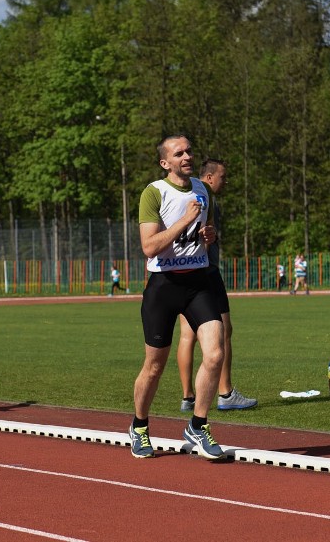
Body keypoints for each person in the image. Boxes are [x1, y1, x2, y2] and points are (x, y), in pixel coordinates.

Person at [129, 135, 225, 460]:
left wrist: (209, 235)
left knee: (214, 354)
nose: (187, 156)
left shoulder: (204, 189)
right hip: (164, 285)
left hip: (199, 282)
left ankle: (198, 425)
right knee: (154, 366)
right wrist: (184, 219)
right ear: (165, 163)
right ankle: (139, 425)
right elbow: (149, 247)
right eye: (178, 153)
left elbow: (205, 234)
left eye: (188, 151)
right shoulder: (154, 193)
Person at [175, 159, 256, 412]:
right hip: (205, 271)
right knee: (224, 331)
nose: (226, 181)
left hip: (180, 271)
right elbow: (204, 234)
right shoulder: (205, 195)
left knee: (187, 336)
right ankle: (226, 392)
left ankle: (187, 396)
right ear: (209, 178)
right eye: (223, 176)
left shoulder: (181, 195)